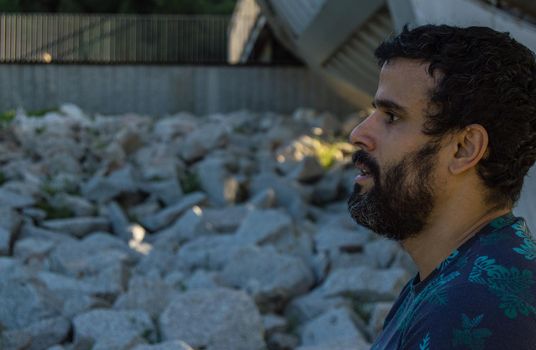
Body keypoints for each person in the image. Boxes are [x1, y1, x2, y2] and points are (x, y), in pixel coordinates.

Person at [347, 24, 536, 349]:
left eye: (391, 116)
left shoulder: (473, 310)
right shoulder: (458, 278)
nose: (359, 134)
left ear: (464, 149)